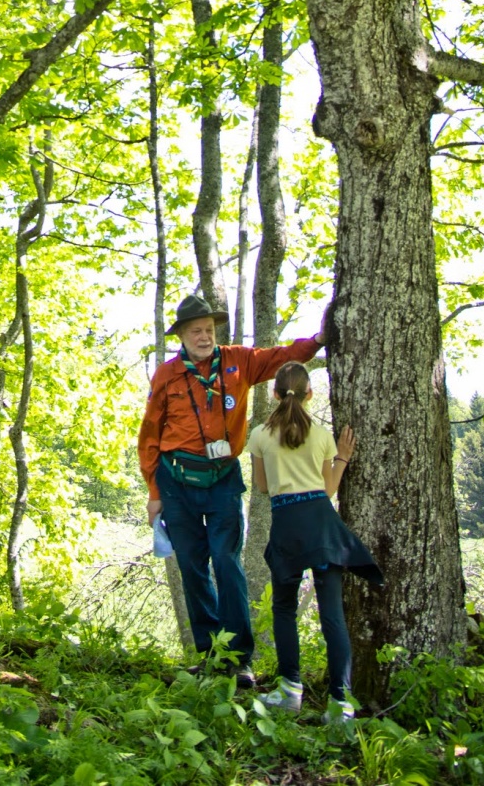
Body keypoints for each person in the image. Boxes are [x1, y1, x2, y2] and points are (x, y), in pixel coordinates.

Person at [138, 293, 329, 683]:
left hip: (223, 477)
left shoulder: (239, 361)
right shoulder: (167, 375)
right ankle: (210, 656)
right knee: (192, 566)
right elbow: (150, 435)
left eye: (209, 329)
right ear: (183, 335)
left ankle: (239, 659)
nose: (204, 336)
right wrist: (154, 491)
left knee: (227, 561)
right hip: (176, 482)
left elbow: (281, 357)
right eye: (197, 331)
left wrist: (320, 339)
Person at [248, 361, 384, 721]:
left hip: (287, 526)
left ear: (275, 394)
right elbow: (328, 489)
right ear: (310, 394)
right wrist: (342, 457)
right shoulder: (323, 436)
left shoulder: (260, 435)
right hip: (322, 526)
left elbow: (262, 487)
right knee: (332, 615)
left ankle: (290, 689)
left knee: (283, 608)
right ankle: (340, 703)